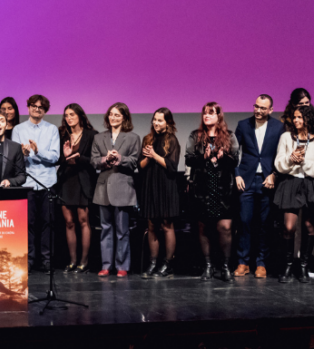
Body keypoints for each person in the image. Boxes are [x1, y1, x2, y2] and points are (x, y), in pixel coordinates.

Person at [184, 102, 240, 283]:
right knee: (204, 227)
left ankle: (225, 266)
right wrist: (204, 157)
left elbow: (235, 161)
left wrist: (224, 157)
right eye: (205, 113)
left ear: (218, 116)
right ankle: (208, 266)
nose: (206, 116)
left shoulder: (229, 136)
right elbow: (189, 159)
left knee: (225, 228)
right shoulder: (195, 136)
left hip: (223, 189)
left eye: (211, 113)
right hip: (202, 188)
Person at [272, 104, 314, 283]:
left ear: (307, 119)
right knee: (289, 227)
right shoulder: (286, 137)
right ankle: (288, 265)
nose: (295, 120)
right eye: (294, 117)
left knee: (310, 226)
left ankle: (303, 266)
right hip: (291, 182)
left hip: (311, 184)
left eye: (299, 117)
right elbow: (278, 163)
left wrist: (303, 162)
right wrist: (291, 159)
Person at [233, 94, 284, 279]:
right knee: (244, 221)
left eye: (263, 108)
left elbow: (282, 153)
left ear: (271, 110)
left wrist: (275, 174)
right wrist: (237, 174)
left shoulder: (278, 127)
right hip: (246, 180)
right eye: (256, 106)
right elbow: (233, 152)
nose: (258, 110)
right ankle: (243, 262)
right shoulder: (243, 125)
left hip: (267, 180)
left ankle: (261, 263)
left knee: (264, 224)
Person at [91, 103, 141, 278]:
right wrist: (105, 159)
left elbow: (134, 162)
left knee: (122, 230)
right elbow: (94, 161)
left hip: (123, 187)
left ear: (124, 118)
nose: (113, 118)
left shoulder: (133, 138)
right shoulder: (99, 137)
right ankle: (106, 265)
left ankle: (122, 265)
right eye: (111, 114)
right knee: (105, 228)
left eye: (117, 115)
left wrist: (120, 158)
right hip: (103, 187)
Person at [12, 95, 60, 272]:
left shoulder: (52, 129)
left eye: (41, 107)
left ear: (45, 110)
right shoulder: (18, 129)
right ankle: (29, 259)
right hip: (27, 182)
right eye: (34, 106)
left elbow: (55, 156)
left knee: (48, 223)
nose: (37, 109)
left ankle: (46, 260)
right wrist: (24, 154)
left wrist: (38, 152)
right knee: (28, 223)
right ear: (28, 107)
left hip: (47, 182)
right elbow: (15, 158)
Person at [139, 108, 181, 278]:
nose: (156, 123)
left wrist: (155, 156)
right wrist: (148, 157)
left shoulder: (172, 140)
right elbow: (140, 166)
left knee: (166, 225)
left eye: (160, 120)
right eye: (154, 120)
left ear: (168, 123)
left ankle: (168, 264)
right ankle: (153, 262)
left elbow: (172, 167)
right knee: (151, 225)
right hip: (150, 185)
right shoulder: (147, 139)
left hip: (166, 186)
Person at [56, 104, 97, 273]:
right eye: (66, 115)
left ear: (80, 116)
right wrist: (65, 156)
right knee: (69, 222)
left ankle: (84, 261)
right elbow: (56, 159)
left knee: (83, 221)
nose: (69, 118)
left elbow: (94, 160)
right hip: (66, 181)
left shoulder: (91, 135)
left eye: (72, 114)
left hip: (83, 181)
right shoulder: (62, 134)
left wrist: (79, 157)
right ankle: (72, 261)